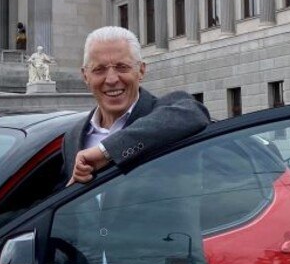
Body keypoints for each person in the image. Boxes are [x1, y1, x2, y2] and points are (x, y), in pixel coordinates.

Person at [63, 26, 210, 186]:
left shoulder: (169, 113)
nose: (111, 79)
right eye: (99, 70)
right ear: (85, 76)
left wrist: (107, 151)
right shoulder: (73, 137)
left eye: (122, 67)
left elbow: (195, 114)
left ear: (141, 70)